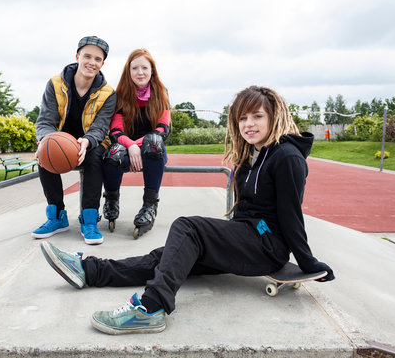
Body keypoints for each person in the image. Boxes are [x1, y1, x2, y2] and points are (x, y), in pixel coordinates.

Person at [40, 86, 335, 334]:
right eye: (242, 118)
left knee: (188, 226)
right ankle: (88, 271)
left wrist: (309, 263)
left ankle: (152, 307)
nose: (249, 124)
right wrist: (222, 238)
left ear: (274, 116)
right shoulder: (253, 155)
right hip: (246, 239)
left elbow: (291, 215)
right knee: (167, 256)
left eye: (257, 116)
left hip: (265, 245)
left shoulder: (287, 158)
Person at [32, 36, 116, 245]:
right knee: (46, 152)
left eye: (97, 59)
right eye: (87, 56)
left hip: (90, 143)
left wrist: (87, 141)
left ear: (102, 64)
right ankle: (57, 216)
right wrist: (44, 140)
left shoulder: (108, 93)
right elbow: (45, 120)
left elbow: (101, 126)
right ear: (77, 56)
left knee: (96, 156)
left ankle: (89, 220)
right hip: (60, 139)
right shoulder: (55, 84)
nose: (91, 62)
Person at [101, 48, 171, 239]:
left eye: (144, 68)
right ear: (128, 71)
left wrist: (138, 145)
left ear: (152, 71)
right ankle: (111, 200)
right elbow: (115, 131)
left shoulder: (161, 93)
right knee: (113, 152)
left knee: (154, 142)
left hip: (152, 152)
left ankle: (150, 206)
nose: (140, 72)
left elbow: (163, 129)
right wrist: (130, 146)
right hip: (125, 148)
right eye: (135, 68)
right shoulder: (120, 95)